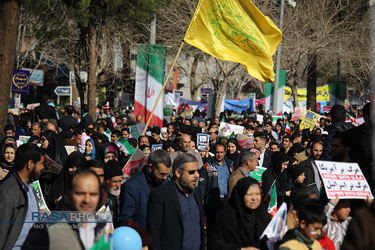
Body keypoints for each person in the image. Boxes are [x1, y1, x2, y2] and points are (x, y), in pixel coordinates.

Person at [22, 169, 106, 249]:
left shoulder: (104, 228)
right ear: (68, 195)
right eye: (80, 194)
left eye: (93, 194)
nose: (87, 200)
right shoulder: (46, 229)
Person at [147, 153, 205, 250]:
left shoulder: (197, 193)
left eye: (198, 171)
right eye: (191, 172)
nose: (197, 175)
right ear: (178, 173)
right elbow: (154, 233)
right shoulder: (160, 195)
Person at [0, 144, 44, 250]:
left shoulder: (32, 187)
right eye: (41, 164)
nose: (43, 168)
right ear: (30, 164)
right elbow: (2, 231)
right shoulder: (9, 191)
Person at [209, 177, 271, 250]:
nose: (254, 198)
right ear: (240, 195)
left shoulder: (264, 216)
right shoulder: (224, 217)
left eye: (257, 194)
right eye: (250, 194)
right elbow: (215, 245)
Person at [120, 150, 172, 229]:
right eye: (161, 174)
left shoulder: (168, 183)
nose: (165, 178)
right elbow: (127, 220)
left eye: (167, 174)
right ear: (150, 167)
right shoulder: (131, 187)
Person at [103, 160, 123, 227]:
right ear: (106, 182)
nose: (118, 185)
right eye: (115, 181)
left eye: (120, 181)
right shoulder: (103, 200)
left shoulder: (122, 195)